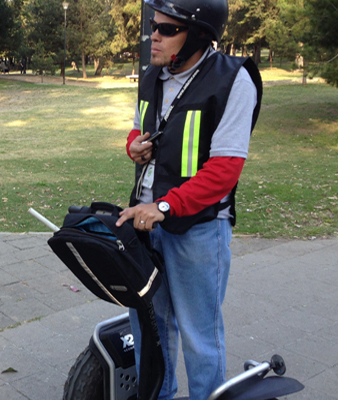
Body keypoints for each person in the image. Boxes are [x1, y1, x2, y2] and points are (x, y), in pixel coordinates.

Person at [114, 0, 262, 398]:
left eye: (166, 29)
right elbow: (135, 129)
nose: (153, 37)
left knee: (200, 337)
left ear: (197, 35)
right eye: (153, 26)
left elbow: (225, 170)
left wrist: (163, 206)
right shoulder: (152, 77)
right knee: (149, 329)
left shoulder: (233, 80)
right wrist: (135, 146)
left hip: (198, 229)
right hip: (145, 224)